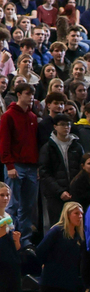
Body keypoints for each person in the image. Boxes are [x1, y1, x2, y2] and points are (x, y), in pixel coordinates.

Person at [0, 83, 38, 239]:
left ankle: (24, 239)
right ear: (19, 94)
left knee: (28, 206)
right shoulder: (8, 115)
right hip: (15, 164)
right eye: (27, 94)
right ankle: (9, 237)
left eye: (32, 94)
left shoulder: (32, 117)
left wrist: (37, 167)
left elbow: (35, 143)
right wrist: (9, 164)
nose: (30, 97)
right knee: (12, 204)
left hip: (31, 166)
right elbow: (4, 142)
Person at [38, 112, 84, 232]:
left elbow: (82, 169)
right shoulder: (48, 147)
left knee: (76, 226)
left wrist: (75, 189)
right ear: (55, 127)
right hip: (55, 195)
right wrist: (60, 191)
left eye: (68, 124)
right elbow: (44, 173)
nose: (66, 127)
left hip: (74, 193)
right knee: (57, 227)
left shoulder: (77, 146)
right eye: (63, 125)